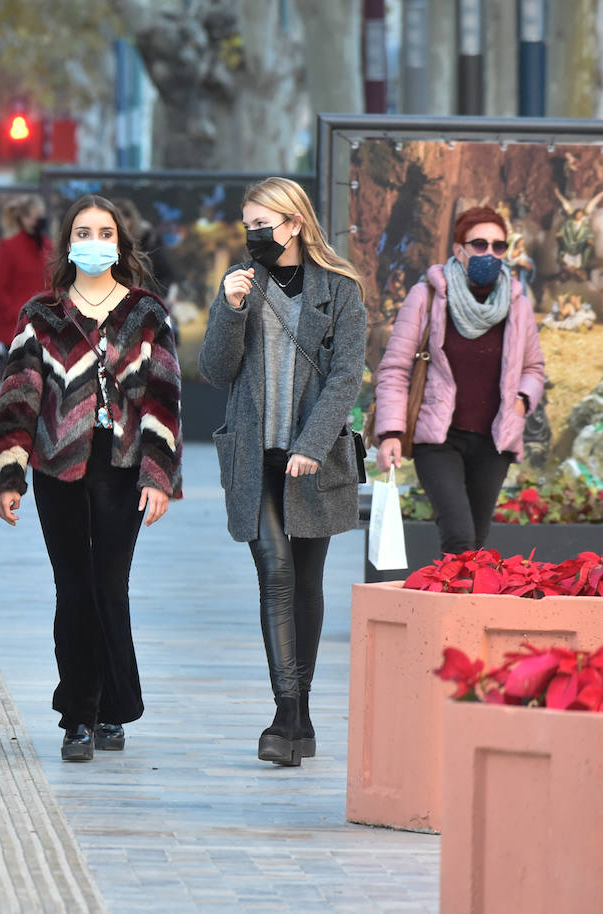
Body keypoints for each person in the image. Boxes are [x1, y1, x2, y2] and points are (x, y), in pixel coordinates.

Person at [0, 194, 182, 763]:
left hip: (122, 469)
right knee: (73, 589)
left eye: (104, 232)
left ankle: (113, 707)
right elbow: (19, 397)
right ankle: (78, 715)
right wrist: (8, 476)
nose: (93, 241)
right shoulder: (41, 315)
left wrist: (158, 474)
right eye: (83, 231)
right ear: (66, 242)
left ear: (119, 242)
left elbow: (163, 399)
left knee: (110, 586)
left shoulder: (147, 313)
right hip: (58, 467)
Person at [198, 177, 367, 768]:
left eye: (263, 223)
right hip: (254, 455)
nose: (254, 234)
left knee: (307, 583)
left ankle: (301, 714)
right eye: (248, 224)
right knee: (274, 574)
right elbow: (216, 370)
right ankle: (286, 712)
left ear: (294, 223)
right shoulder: (244, 282)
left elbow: (348, 375)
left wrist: (313, 444)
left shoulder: (341, 290)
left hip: (311, 459)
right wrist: (229, 307)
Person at [374, 206, 546, 554]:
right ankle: (456, 606)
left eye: (499, 246)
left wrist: (522, 399)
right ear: (459, 249)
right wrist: (391, 432)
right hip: (438, 439)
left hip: (493, 442)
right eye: (479, 244)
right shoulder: (427, 298)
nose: (490, 253)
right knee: (460, 539)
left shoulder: (517, 305)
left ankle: (459, 604)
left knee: (476, 543)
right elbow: (395, 369)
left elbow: (534, 368)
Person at [0, 193, 53, 350]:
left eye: (41, 216)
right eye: (35, 216)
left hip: (45, 329)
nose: (40, 220)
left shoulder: (48, 246)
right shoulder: (8, 247)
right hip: (15, 330)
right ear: (24, 219)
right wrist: (18, 315)